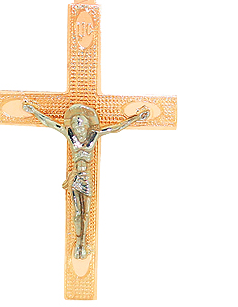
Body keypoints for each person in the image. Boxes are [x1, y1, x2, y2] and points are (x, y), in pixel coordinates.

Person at [22, 102, 150, 259]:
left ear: (87, 125)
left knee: (86, 212)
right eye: (75, 124)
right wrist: (33, 111)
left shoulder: (93, 135)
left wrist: (136, 118)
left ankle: (83, 243)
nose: (79, 128)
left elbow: (115, 128)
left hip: (86, 177)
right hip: (75, 177)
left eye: (81, 124)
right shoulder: (70, 134)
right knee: (77, 212)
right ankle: (78, 244)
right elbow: (50, 123)